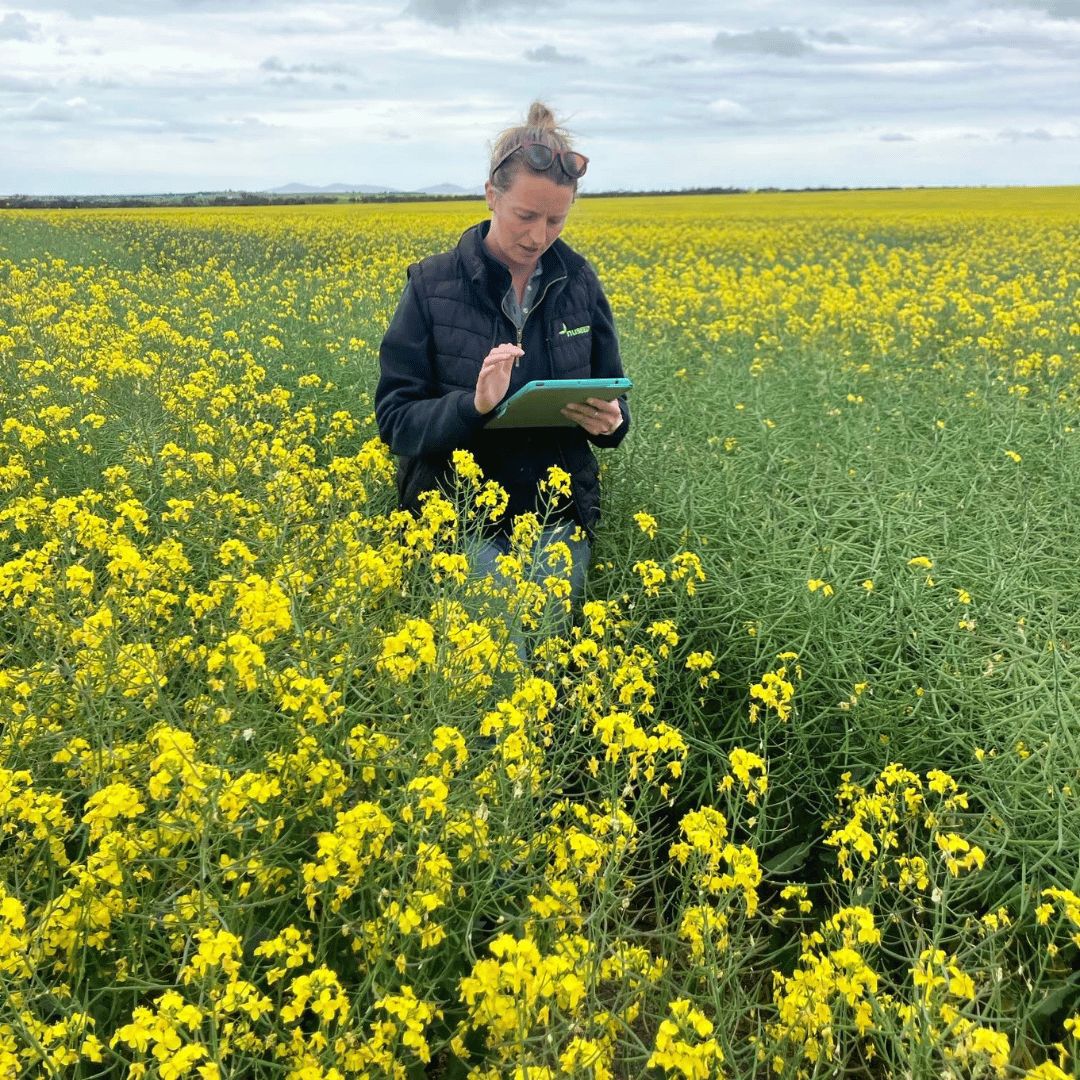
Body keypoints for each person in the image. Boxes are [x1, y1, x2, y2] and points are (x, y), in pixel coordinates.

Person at [375, 101, 630, 605]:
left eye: (556, 220)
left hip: (557, 515)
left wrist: (612, 424)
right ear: (492, 194)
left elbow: (613, 395)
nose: (538, 237)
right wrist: (473, 406)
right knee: (494, 647)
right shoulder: (431, 285)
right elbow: (396, 421)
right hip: (460, 519)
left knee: (551, 644)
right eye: (525, 216)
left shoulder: (580, 283)